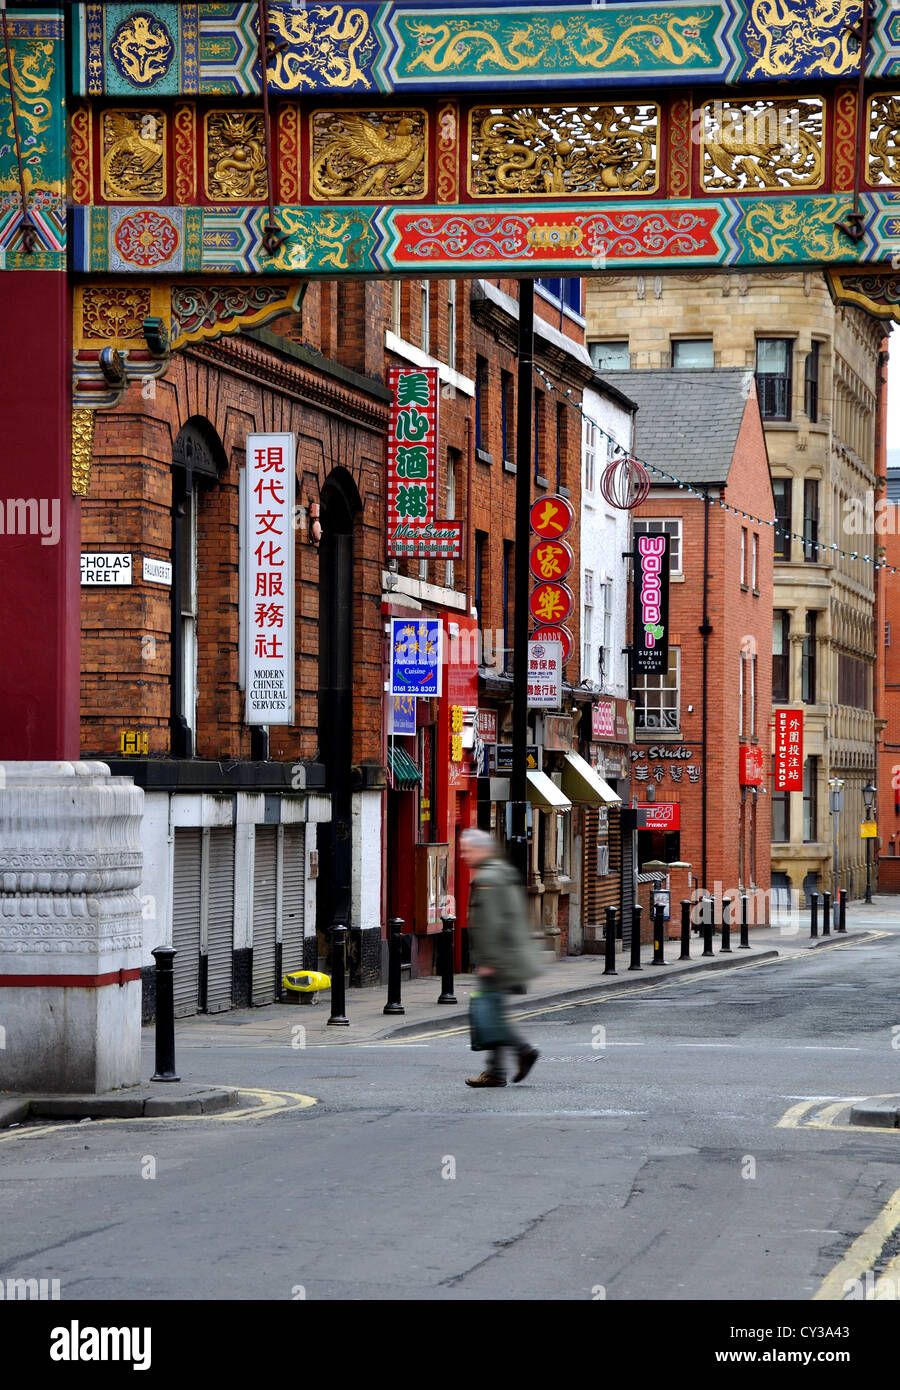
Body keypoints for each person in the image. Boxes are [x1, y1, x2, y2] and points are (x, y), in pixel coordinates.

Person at [459, 828, 541, 1088]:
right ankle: (495, 1072)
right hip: (506, 956)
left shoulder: (489, 878)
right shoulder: (499, 872)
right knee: (491, 1011)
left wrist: (489, 961)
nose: (463, 855)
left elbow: (491, 923)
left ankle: (523, 1051)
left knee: (488, 1014)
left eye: (467, 850)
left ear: (482, 849)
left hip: (497, 960)